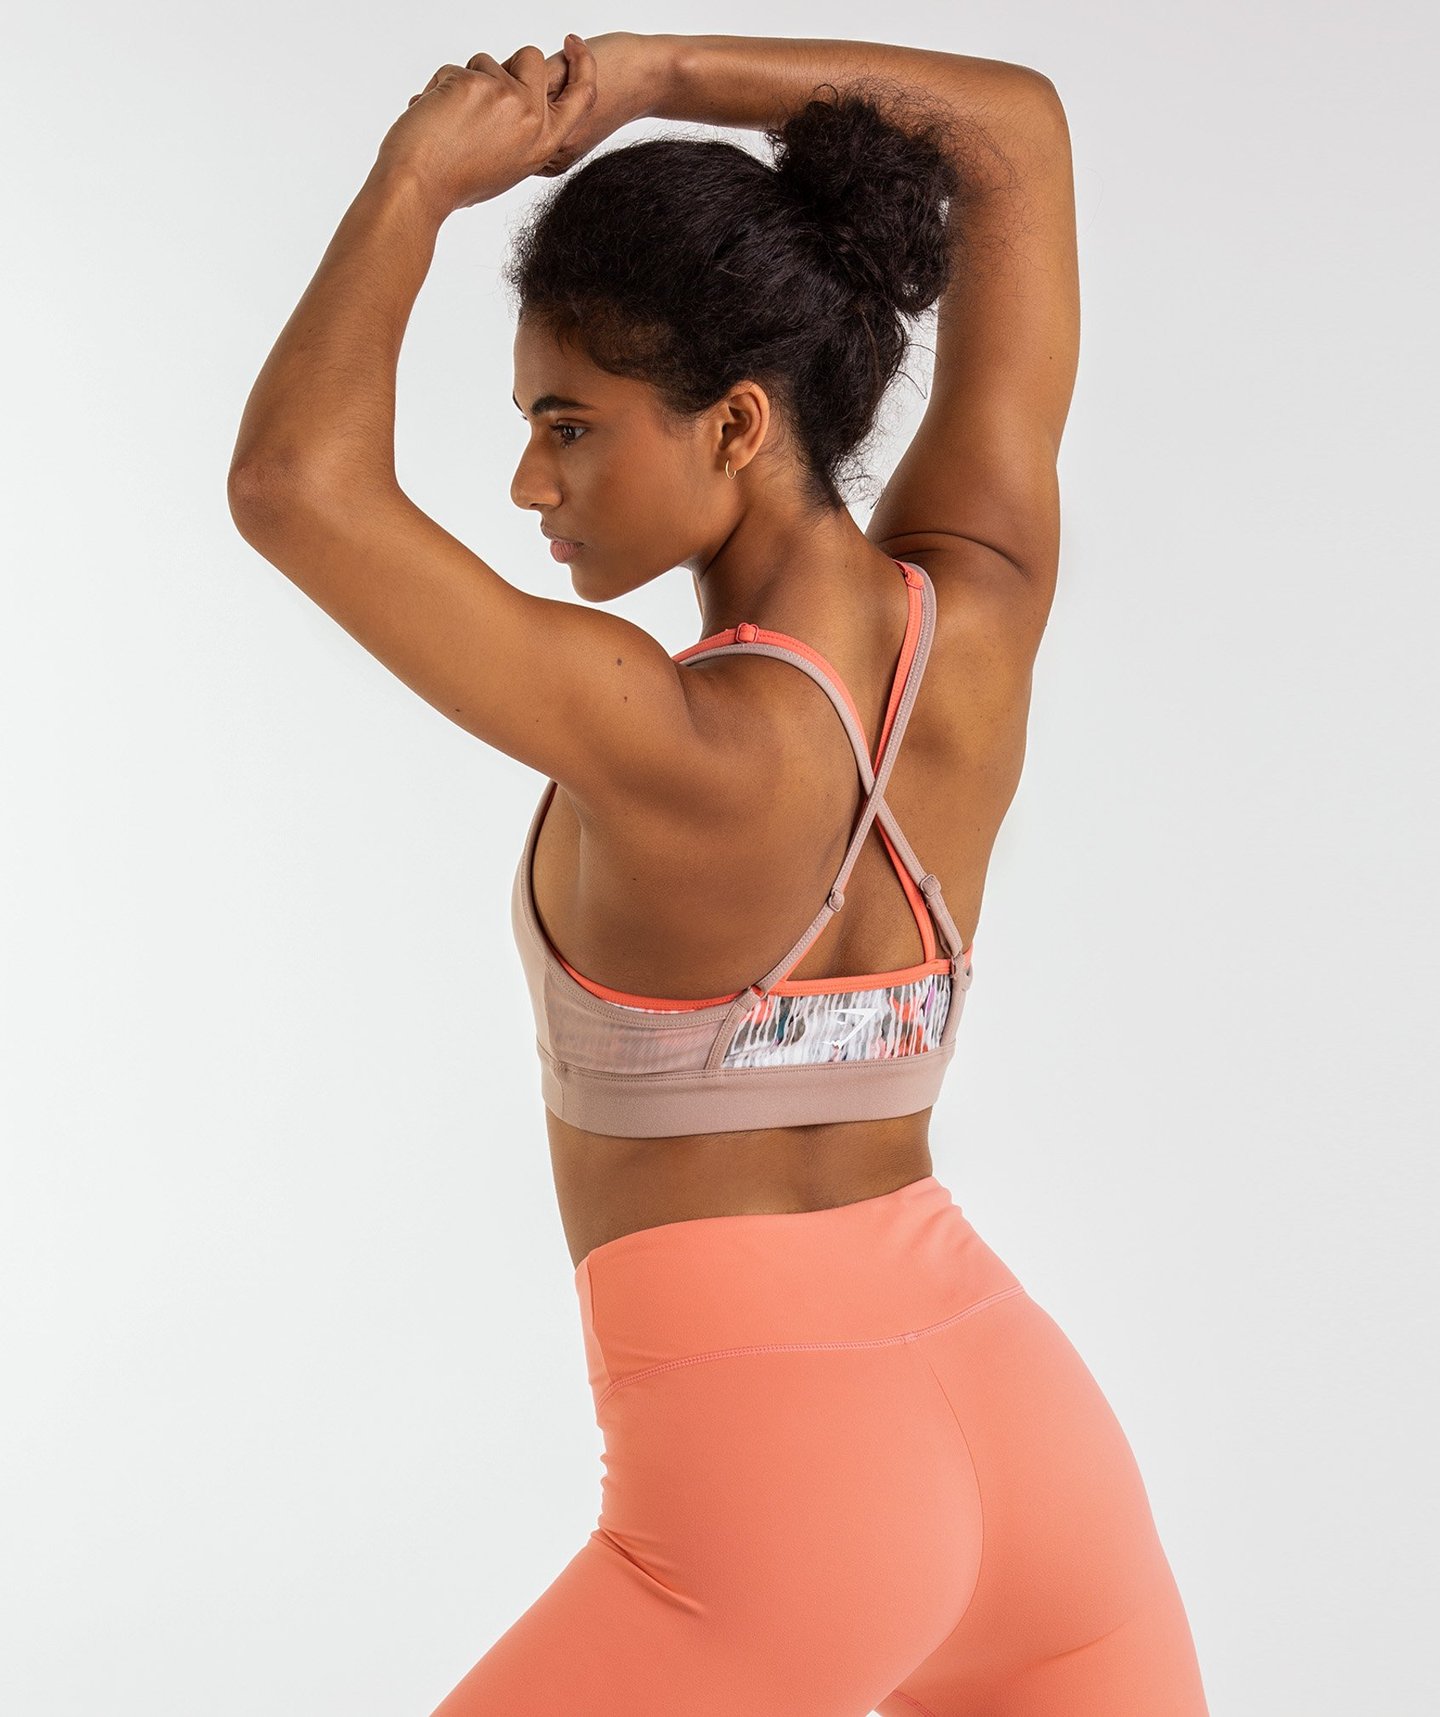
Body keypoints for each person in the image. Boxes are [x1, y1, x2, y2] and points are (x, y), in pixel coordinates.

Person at [228, 29, 1211, 1716]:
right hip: (1036, 1460)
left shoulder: (668, 736)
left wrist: (418, 178)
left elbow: (292, 485)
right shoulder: (976, 606)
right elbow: (1017, 135)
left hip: (784, 1508)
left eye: (569, 425)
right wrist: (655, 74)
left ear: (739, 421)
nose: (529, 481)